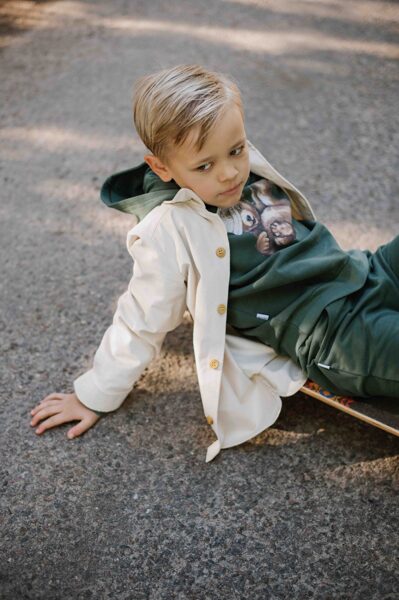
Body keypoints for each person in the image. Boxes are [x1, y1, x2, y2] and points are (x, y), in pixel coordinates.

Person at [30, 64, 399, 463]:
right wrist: (94, 394)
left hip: (363, 271)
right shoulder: (166, 231)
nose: (229, 173)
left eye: (237, 150)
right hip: (334, 333)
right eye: (205, 166)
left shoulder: (232, 164)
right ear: (162, 168)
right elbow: (140, 318)